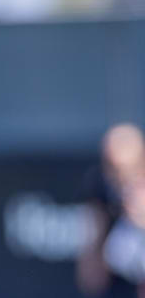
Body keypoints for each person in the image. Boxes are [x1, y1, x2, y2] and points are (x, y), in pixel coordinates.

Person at [77, 123, 145, 298]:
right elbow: (90, 281)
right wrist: (99, 235)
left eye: (129, 170)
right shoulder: (102, 198)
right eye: (113, 170)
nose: (122, 180)